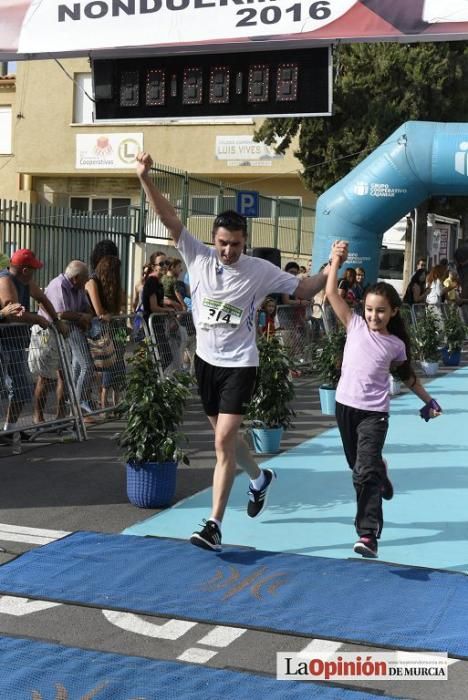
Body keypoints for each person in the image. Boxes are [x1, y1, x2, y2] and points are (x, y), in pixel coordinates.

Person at [136, 151, 348, 552]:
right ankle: (259, 478)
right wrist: (145, 179)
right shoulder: (197, 256)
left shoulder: (258, 270)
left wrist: (333, 265)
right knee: (227, 440)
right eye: (222, 243)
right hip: (206, 363)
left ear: (245, 242)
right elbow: (168, 219)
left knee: (222, 442)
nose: (228, 251)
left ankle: (214, 525)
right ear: (213, 239)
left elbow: (304, 289)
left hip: (240, 366)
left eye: (235, 245)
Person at [325, 250, 442, 559]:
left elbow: (407, 377)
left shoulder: (395, 345)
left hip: (374, 414)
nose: (373, 316)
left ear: (393, 312)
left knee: (363, 473)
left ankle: (367, 534)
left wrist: (429, 401)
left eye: (380, 311)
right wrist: (336, 260)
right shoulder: (354, 325)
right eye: (369, 309)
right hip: (344, 408)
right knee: (359, 467)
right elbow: (329, 292)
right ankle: (381, 469)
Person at [0, 249, 67, 439]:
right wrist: (39, 320)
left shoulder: (26, 282)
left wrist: (56, 320)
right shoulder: (5, 281)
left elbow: (43, 298)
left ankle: (9, 430)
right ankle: (7, 431)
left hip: (16, 343)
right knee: (12, 387)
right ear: (24, 269)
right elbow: (14, 312)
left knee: (21, 388)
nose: (35, 272)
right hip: (4, 343)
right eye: (33, 268)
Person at [29, 260, 93, 425]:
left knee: (65, 376)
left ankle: (62, 417)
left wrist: (83, 315)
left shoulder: (78, 288)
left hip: (64, 333)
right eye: (85, 279)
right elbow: (61, 313)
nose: (87, 282)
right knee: (46, 378)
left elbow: (87, 309)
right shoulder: (58, 285)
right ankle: (39, 418)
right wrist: (81, 317)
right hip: (47, 333)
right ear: (76, 278)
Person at [86, 255, 126, 410]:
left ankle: (111, 400)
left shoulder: (110, 286)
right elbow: (99, 311)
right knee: (102, 365)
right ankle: (101, 400)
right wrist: (109, 315)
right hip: (97, 329)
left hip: (112, 328)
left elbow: (120, 303)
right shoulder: (92, 282)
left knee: (116, 361)